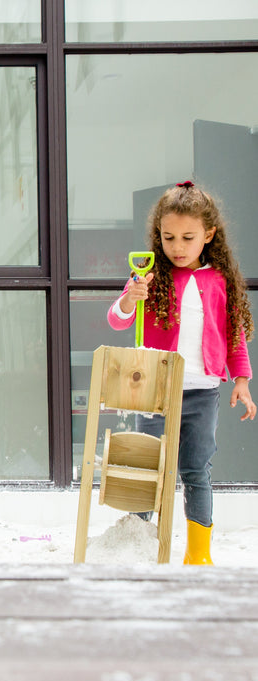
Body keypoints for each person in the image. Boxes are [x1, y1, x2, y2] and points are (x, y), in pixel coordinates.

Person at [107, 181, 256, 565]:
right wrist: (129, 299)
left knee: (196, 469)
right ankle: (137, 544)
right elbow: (117, 320)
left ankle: (198, 553)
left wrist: (241, 380)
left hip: (202, 392)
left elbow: (233, 335)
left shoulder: (219, 281)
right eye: (168, 237)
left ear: (208, 235)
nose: (177, 247)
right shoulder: (148, 276)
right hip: (156, 389)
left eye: (188, 238)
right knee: (148, 467)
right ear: (158, 235)